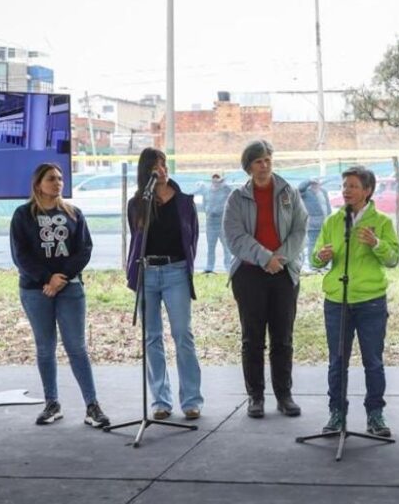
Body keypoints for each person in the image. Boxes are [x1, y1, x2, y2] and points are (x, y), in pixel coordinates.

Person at [10, 163, 110, 428]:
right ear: (38, 184)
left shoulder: (74, 213)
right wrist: (46, 279)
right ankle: (51, 403)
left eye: (60, 178)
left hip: (70, 289)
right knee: (45, 348)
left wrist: (61, 278)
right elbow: (20, 255)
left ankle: (92, 406)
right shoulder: (23, 215)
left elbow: (84, 249)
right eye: (52, 179)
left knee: (76, 347)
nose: (58, 183)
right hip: (35, 290)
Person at [311, 166, 399, 437]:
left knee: (373, 361)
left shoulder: (382, 222)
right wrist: (321, 257)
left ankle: (375, 414)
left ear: (367, 190)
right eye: (344, 185)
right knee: (337, 361)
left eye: (352, 186)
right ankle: (337, 413)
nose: (346, 191)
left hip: (370, 302)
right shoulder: (333, 221)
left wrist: (376, 243)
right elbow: (315, 258)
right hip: (337, 300)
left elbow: (393, 259)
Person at [223, 139, 308, 418]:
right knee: (253, 338)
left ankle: (284, 395)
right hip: (249, 276)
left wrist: (279, 259)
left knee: (283, 337)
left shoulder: (289, 193)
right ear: (248, 167)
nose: (264, 166)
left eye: (268, 160)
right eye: (258, 161)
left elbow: (300, 229)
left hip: (283, 273)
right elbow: (235, 237)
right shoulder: (236, 198)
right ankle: (255, 396)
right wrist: (264, 258)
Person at [125, 148, 204, 421]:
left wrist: (186, 266)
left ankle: (192, 400)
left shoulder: (183, 201)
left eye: (165, 163)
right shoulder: (137, 203)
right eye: (157, 164)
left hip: (175, 271)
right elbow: (137, 240)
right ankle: (160, 401)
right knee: (152, 337)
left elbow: (191, 236)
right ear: (147, 169)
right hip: (147, 273)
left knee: (182, 334)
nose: (162, 168)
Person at [298, 178, 332, 270]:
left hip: (326, 223)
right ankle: (313, 265)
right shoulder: (305, 193)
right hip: (313, 225)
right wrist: (308, 181)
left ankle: (324, 265)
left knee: (325, 245)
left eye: (317, 182)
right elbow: (300, 188)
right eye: (314, 182)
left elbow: (328, 206)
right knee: (312, 244)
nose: (316, 184)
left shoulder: (323, 191)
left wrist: (330, 218)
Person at [203, 173, 233, 273]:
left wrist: (224, 183)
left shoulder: (225, 190)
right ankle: (209, 267)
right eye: (214, 181)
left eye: (218, 181)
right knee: (211, 247)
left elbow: (232, 192)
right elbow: (204, 204)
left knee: (226, 247)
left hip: (222, 222)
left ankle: (228, 267)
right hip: (211, 223)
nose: (216, 183)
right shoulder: (207, 191)